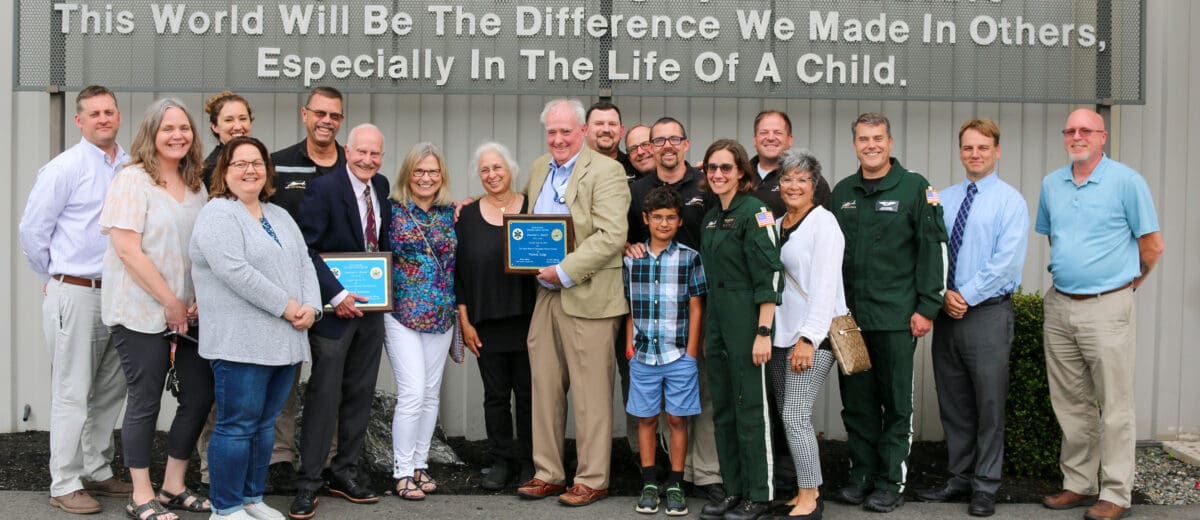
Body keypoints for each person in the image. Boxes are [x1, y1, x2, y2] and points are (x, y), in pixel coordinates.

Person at [1036, 109, 1163, 520]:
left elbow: (1153, 246)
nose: (1077, 136)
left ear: (1102, 136)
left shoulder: (1127, 182)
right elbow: (1055, 239)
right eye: (1071, 130)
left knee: (1115, 405)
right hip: (1060, 306)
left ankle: (1115, 492)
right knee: (1071, 403)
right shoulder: (1051, 184)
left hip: (1108, 305)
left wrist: (1128, 286)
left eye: (1086, 130)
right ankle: (1078, 483)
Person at [191, 136, 321, 520]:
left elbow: (304, 263)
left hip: (284, 342)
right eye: (240, 163)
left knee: (264, 425)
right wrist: (287, 306)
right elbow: (235, 272)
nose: (250, 170)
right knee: (236, 426)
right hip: (240, 344)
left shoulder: (278, 215)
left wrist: (312, 307)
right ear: (224, 172)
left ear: (267, 170)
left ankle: (251, 498)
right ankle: (225, 507)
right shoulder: (217, 214)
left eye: (257, 163)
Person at [18, 85, 132, 515]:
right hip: (77, 291)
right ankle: (64, 482)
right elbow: (32, 232)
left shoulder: (128, 166)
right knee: (72, 391)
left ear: (119, 116)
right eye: (94, 113)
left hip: (119, 295)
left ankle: (96, 469)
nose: (103, 118)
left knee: (109, 389)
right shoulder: (64, 168)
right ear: (79, 121)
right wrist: (53, 276)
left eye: (109, 111)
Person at [99, 97, 213, 520]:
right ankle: (140, 493)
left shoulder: (197, 184)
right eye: (168, 128)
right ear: (151, 133)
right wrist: (169, 301)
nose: (178, 135)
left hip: (188, 313)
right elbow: (127, 249)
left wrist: (199, 296)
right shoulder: (133, 180)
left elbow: (200, 251)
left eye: (184, 128)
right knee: (145, 399)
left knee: (199, 394)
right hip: (140, 310)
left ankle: (173, 486)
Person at [514, 98, 630, 507]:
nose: (558, 139)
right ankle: (547, 471)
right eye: (552, 132)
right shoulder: (537, 168)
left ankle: (593, 477)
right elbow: (527, 224)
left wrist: (563, 270)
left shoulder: (608, 171)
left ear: (582, 132)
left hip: (589, 294)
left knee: (591, 392)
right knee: (544, 386)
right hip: (545, 294)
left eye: (566, 131)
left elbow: (612, 235)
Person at [829, 112, 947, 513]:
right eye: (863, 139)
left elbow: (934, 248)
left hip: (897, 319)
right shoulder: (843, 191)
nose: (871, 145)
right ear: (855, 144)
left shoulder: (915, 188)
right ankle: (861, 476)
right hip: (849, 322)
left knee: (896, 404)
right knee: (858, 404)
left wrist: (927, 306)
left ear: (890, 142)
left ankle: (890, 482)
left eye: (878, 138)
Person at [915, 119, 1029, 518]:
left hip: (987, 314)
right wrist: (942, 294)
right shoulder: (942, 199)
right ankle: (959, 477)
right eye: (968, 148)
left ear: (997, 151)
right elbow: (931, 252)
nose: (975, 154)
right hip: (947, 313)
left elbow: (1006, 262)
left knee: (989, 403)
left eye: (983, 147)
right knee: (955, 402)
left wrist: (965, 295)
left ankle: (985, 486)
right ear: (960, 151)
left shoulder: (1011, 202)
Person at [290, 124, 392, 520]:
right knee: (324, 395)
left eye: (376, 154)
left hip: (372, 311)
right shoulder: (324, 188)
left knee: (360, 394)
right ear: (348, 150)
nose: (368, 160)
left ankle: (345, 472)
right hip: (335, 312)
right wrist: (336, 294)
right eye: (362, 152)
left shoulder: (380, 186)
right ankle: (308, 482)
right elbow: (307, 248)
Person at [625, 117, 723, 506]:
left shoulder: (705, 181)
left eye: (673, 139)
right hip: (648, 339)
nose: (666, 146)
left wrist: (693, 348)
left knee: (696, 407)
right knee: (650, 415)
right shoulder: (638, 191)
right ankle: (655, 479)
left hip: (690, 322)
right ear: (649, 147)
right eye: (658, 140)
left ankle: (702, 476)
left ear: (686, 143)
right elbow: (626, 244)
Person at [696, 139, 783, 520]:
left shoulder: (756, 212)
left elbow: (770, 276)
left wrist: (763, 332)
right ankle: (733, 489)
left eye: (726, 168)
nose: (718, 174)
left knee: (752, 410)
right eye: (712, 168)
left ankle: (758, 494)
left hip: (748, 322)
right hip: (717, 322)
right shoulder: (712, 217)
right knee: (725, 411)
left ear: (742, 173)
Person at [455, 142, 536, 491]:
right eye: (485, 169)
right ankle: (502, 460)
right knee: (496, 396)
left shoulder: (534, 208)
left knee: (532, 396)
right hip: (486, 322)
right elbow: (457, 272)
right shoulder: (467, 217)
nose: (492, 175)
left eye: (497, 167)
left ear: (511, 170)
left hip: (530, 319)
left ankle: (532, 462)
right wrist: (465, 321)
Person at [624, 187, 707, 517]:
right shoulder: (632, 260)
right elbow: (629, 307)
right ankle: (648, 482)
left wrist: (690, 353)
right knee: (645, 418)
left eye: (670, 217)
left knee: (676, 418)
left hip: (677, 354)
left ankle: (674, 483)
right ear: (645, 219)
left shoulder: (690, 258)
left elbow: (697, 307)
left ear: (679, 220)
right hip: (643, 354)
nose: (663, 223)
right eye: (657, 217)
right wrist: (629, 347)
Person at [769, 149, 843, 520]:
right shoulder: (778, 222)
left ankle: (811, 496)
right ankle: (802, 490)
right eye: (787, 178)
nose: (794, 185)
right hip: (781, 336)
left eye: (802, 179)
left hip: (811, 338)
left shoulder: (823, 223)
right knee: (788, 417)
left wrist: (808, 339)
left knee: (796, 416)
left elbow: (826, 287)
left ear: (815, 186)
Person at [384, 142, 458, 500]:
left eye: (433, 171)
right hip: (402, 314)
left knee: (430, 395)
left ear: (441, 175)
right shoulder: (392, 211)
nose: (426, 177)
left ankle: (419, 464)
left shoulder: (450, 213)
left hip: (442, 315)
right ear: (407, 175)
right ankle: (400, 471)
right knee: (412, 393)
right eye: (419, 171)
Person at [271, 86, 347, 221]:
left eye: (334, 116)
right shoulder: (278, 164)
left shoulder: (351, 166)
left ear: (341, 120)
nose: (327, 120)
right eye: (320, 113)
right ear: (305, 114)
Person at [200, 91, 253, 188]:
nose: (237, 126)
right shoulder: (212, 167)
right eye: (229, 120)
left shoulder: (259, 159)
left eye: (243, 119)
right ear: (214, 126)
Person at [749, 110, 794, 217]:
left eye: (777, 132)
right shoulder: (738, 177)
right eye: (764, 132)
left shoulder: (809, 180)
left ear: (789, 140)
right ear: (755, 140)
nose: (770, 138)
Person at [585, 101, 643, 182]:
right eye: (599, 123)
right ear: (585, 130)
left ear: (621, 131)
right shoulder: (572, 166)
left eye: (612, 124)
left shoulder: (636, 167)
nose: (606, 129)